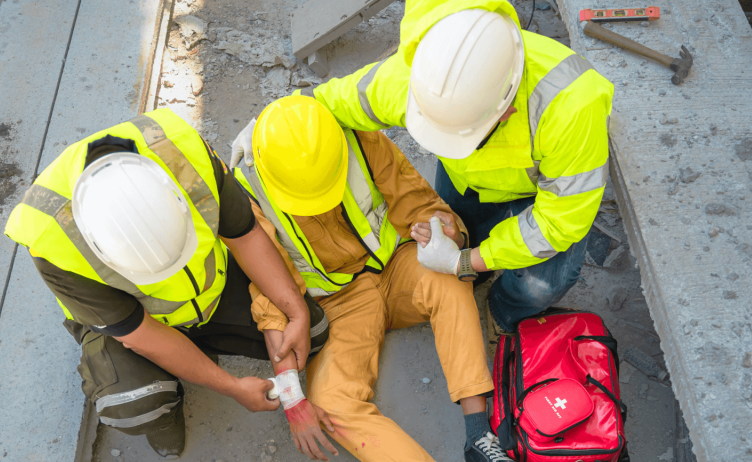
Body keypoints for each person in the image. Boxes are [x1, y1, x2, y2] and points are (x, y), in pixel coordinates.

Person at [235, 95, 524, 462]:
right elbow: (270, 304)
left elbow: (421, 202)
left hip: (397, 266)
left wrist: (441, 232)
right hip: (341, 302)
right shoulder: (247, 196)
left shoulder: (354, 137)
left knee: (450, 280)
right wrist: (292, 398)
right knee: (329, 402)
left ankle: (480, 435)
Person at [233, 0, 614, 355]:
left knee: (539, 283)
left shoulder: (571, 105)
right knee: (458, 229)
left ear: (507, 109)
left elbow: (556, 224)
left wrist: (466, 263)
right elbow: (328, 103)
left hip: (544, 192)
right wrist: (269, 133)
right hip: (468, 178)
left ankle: (503, 313)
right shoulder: (418, 79)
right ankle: (471, 275)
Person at [4, 108, 328, 459]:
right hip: (135, 323)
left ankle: (197, 348)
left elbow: (246, 236)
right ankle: (164, 407)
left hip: (211, 288)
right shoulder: (50, 240)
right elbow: (143, 335)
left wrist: (293, 312)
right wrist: (231, 386)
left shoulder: (181, 151)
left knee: (312, 331)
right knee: (133, 403)